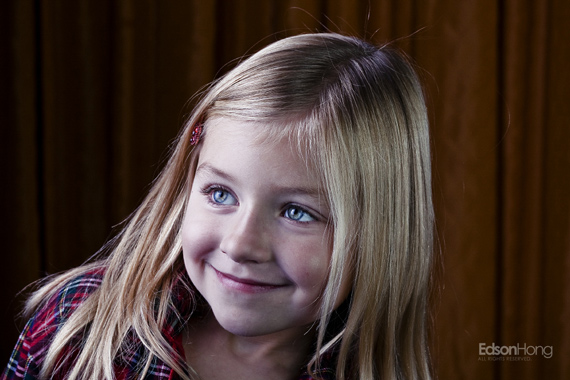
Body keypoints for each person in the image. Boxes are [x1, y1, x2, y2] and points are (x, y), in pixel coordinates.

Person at [2, 32, 434, 380]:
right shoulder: (78, 326)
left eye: (297, 212)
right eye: (220, 194)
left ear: (382, 234)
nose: (241, 244)